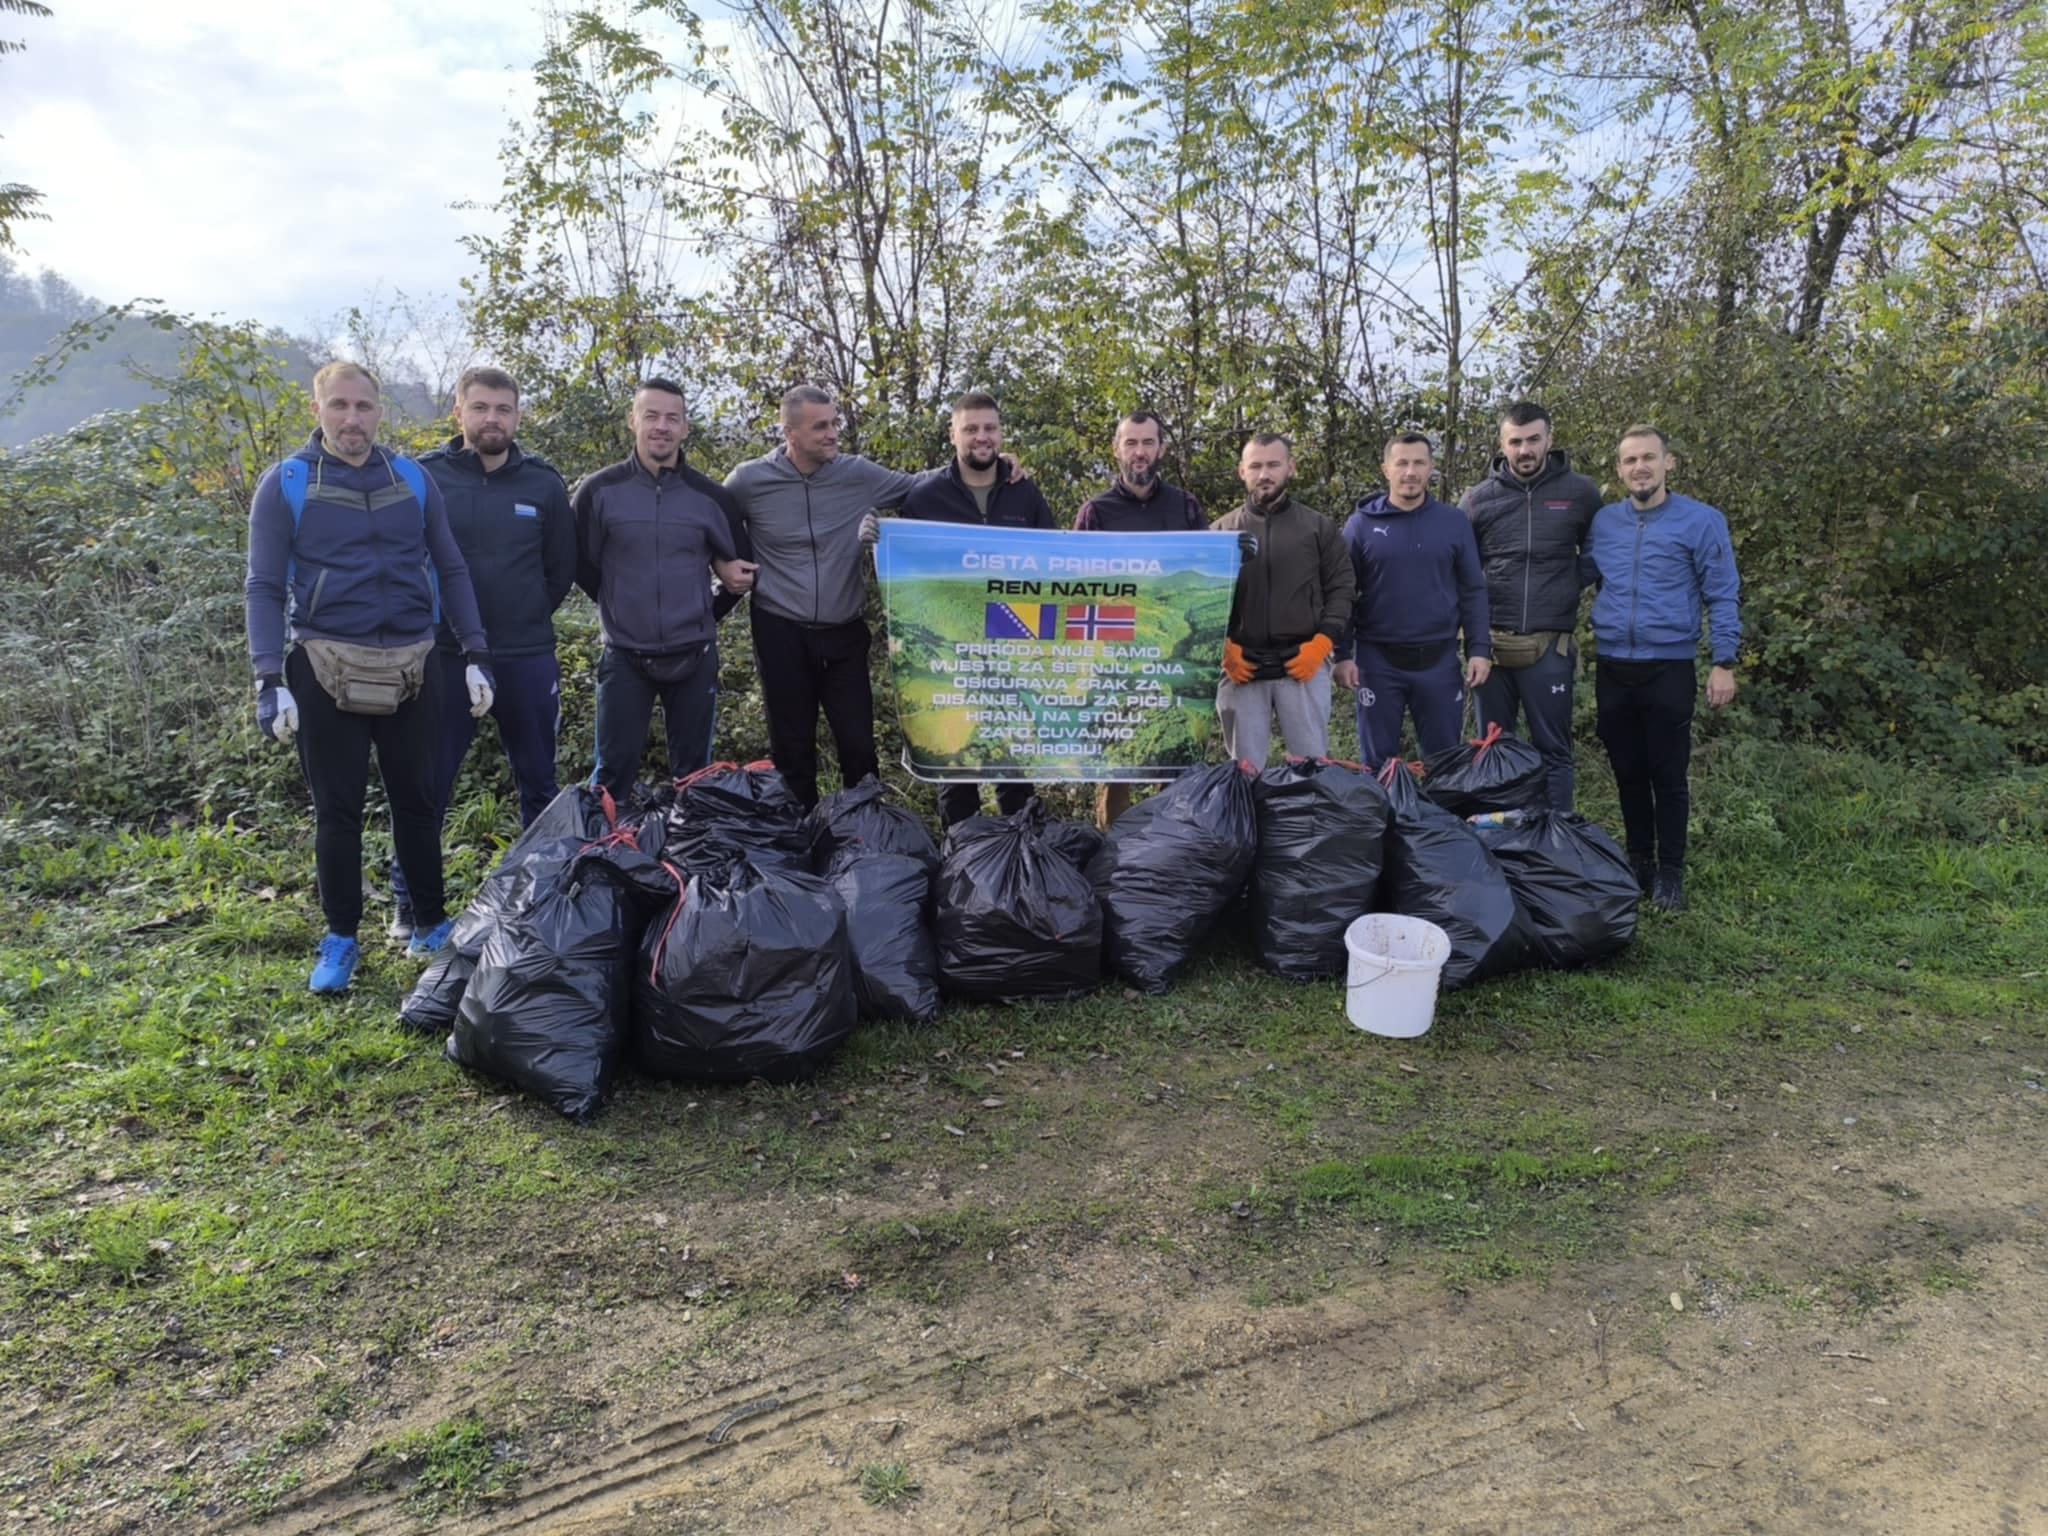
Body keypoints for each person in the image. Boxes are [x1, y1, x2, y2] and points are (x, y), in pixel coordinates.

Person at [244, 361, 495, 993]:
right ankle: (341, 938)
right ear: (318, 409)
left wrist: (475, 653)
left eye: (363, 407)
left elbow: (450, 564)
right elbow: (265, 586)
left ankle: (430, 927)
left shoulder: (412, 479)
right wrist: (269, 677)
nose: (352, 419)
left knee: (418, 802)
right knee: (338, 810)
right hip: (325, 665)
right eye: (339, 406)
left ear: (381, 412)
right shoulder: (289, 483)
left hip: (414, 662)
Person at [724, 385, 1019, 809]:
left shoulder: (856, 474)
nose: (832, 434)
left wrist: (995, 465)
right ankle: (802, 846)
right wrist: (722, 567)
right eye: (820, 426)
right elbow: (705, 519)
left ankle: (864, 843)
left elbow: (923, 486)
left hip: (844, 630)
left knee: (859, 749)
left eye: (834, 423)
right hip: (779, 629)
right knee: (792, 749)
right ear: (789, 431)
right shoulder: (749, 481)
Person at [387, 366, 576, 941]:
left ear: (518, 416)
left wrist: (517, 619)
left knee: (538, 785)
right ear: (459, 412)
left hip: (524, 654)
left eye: (503, 409)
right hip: (442, 658)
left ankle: (534, 902)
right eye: (481, 407)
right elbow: (402, 557)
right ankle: (410, 905)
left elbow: (560, 569)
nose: (492, 418)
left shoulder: (543, 483)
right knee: (428, 786)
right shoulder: (425, 476)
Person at [1583, 424, 1741, 913]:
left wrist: (1724, 661)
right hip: (1612, 664)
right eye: (1630, 461)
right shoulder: (1605, 523)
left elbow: (1722, 590)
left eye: (1649, 457)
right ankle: (1639, 863)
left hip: (1669, 665)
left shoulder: (1701, 521)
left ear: (1668, 463)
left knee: (1667, 774)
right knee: (1628, 771)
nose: (1640, 467)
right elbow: (1577, 576)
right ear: (1619, 470)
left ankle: (1670, 872)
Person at [574, 378, 756, 795]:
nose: (661, 426)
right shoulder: (598, 491)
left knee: (695, 779)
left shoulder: (711, 497)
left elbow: (742, 572)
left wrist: (705, 611)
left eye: (672, 418)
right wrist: (620, 605)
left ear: (685, 428)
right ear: (632, 420)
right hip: (623, 657)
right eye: (651, 415)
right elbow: (580, 565)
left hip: (694, 655)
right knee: (611, 776)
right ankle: (607, 853)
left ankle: (688, 858)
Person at [900, 390, 1056, 826]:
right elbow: (904, 570)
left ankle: (1023, 859)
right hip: (950, 655)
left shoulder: (1025, 494)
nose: (981, 437)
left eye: (989, 428)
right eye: (971, 429)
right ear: (953, 435)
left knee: (1014, 767)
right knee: (957, 768)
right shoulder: (925, 497)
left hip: (1014, 647)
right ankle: (962, 865)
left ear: (1001, 433)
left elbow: (1053, 566)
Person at [1461, 401, 1602, 811]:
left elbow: (1597, 553)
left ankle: (1557, 838)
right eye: (1516, 441)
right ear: (1502, 445)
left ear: (1549, 440)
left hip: (1549, 645)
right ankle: (1497, 842)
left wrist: (1567, 586)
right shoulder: (1475, 500)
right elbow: (1460, 569)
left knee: (1553, 750)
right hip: (1491, 648)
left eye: (1533, 440)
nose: (1525, 450)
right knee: (1492, 748)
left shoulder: (1581, 493)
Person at [1074, 410, 1206, 828]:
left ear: (1161, 449)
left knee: (1169, 755)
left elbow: (1207, 573)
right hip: (1114, 657)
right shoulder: (1095, 512)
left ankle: (1166, 852)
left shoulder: (1185, 507)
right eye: (1131, 443)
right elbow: (1073, 584)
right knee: (1117, 762)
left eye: (1148, 442)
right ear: (1117, 449)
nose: (1140, 452)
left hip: (1174, 653)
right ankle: (1112, 852)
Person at [1334, 432, 1491, 765]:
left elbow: (1473, 590)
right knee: (1378, 765)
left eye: (1419, 463)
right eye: (1401, 463)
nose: (1410, 472)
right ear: (1385, 469)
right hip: (1377, 662)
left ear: (1431, 468)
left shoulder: (1453, 522)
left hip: (1439, 660)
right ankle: (1384, 818)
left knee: (1445, 762)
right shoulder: (1360, 526)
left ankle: (1440, 818)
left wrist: (1479, 649)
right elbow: (1341, 592)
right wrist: (1342, 654)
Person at [1210, 433, 1353, 764]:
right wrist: (1222, 649)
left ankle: (1308, 818)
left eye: (1273, 465)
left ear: (1291, 467)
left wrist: (1323, 644)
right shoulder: (1219, 533)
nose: (1264, 474)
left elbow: (1342, 588)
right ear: (1242, 471)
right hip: (1241, 667)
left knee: (1311, 769)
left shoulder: (1318, 528)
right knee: (1243, 773)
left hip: (1303, 663)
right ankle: (1248, 818)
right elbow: (1200, 600)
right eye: (1256, 466)